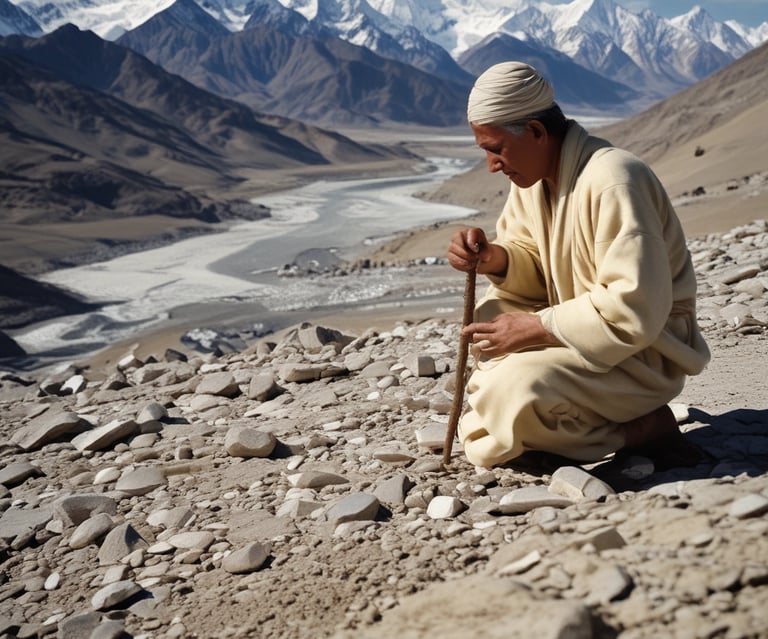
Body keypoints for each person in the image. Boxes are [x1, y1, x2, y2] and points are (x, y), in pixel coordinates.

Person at [446, 61, 711, 469]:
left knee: (510, 391)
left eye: (495, 149)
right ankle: (552, 419)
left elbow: (633, 306)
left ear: (535, 132)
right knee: (490, 334)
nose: (492, 166)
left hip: (642, 352)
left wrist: (537, 327)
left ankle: (638, 429)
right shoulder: (533, 181)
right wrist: (494, 259)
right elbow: (536, 266)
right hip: (585, 334)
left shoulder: (615, 180)